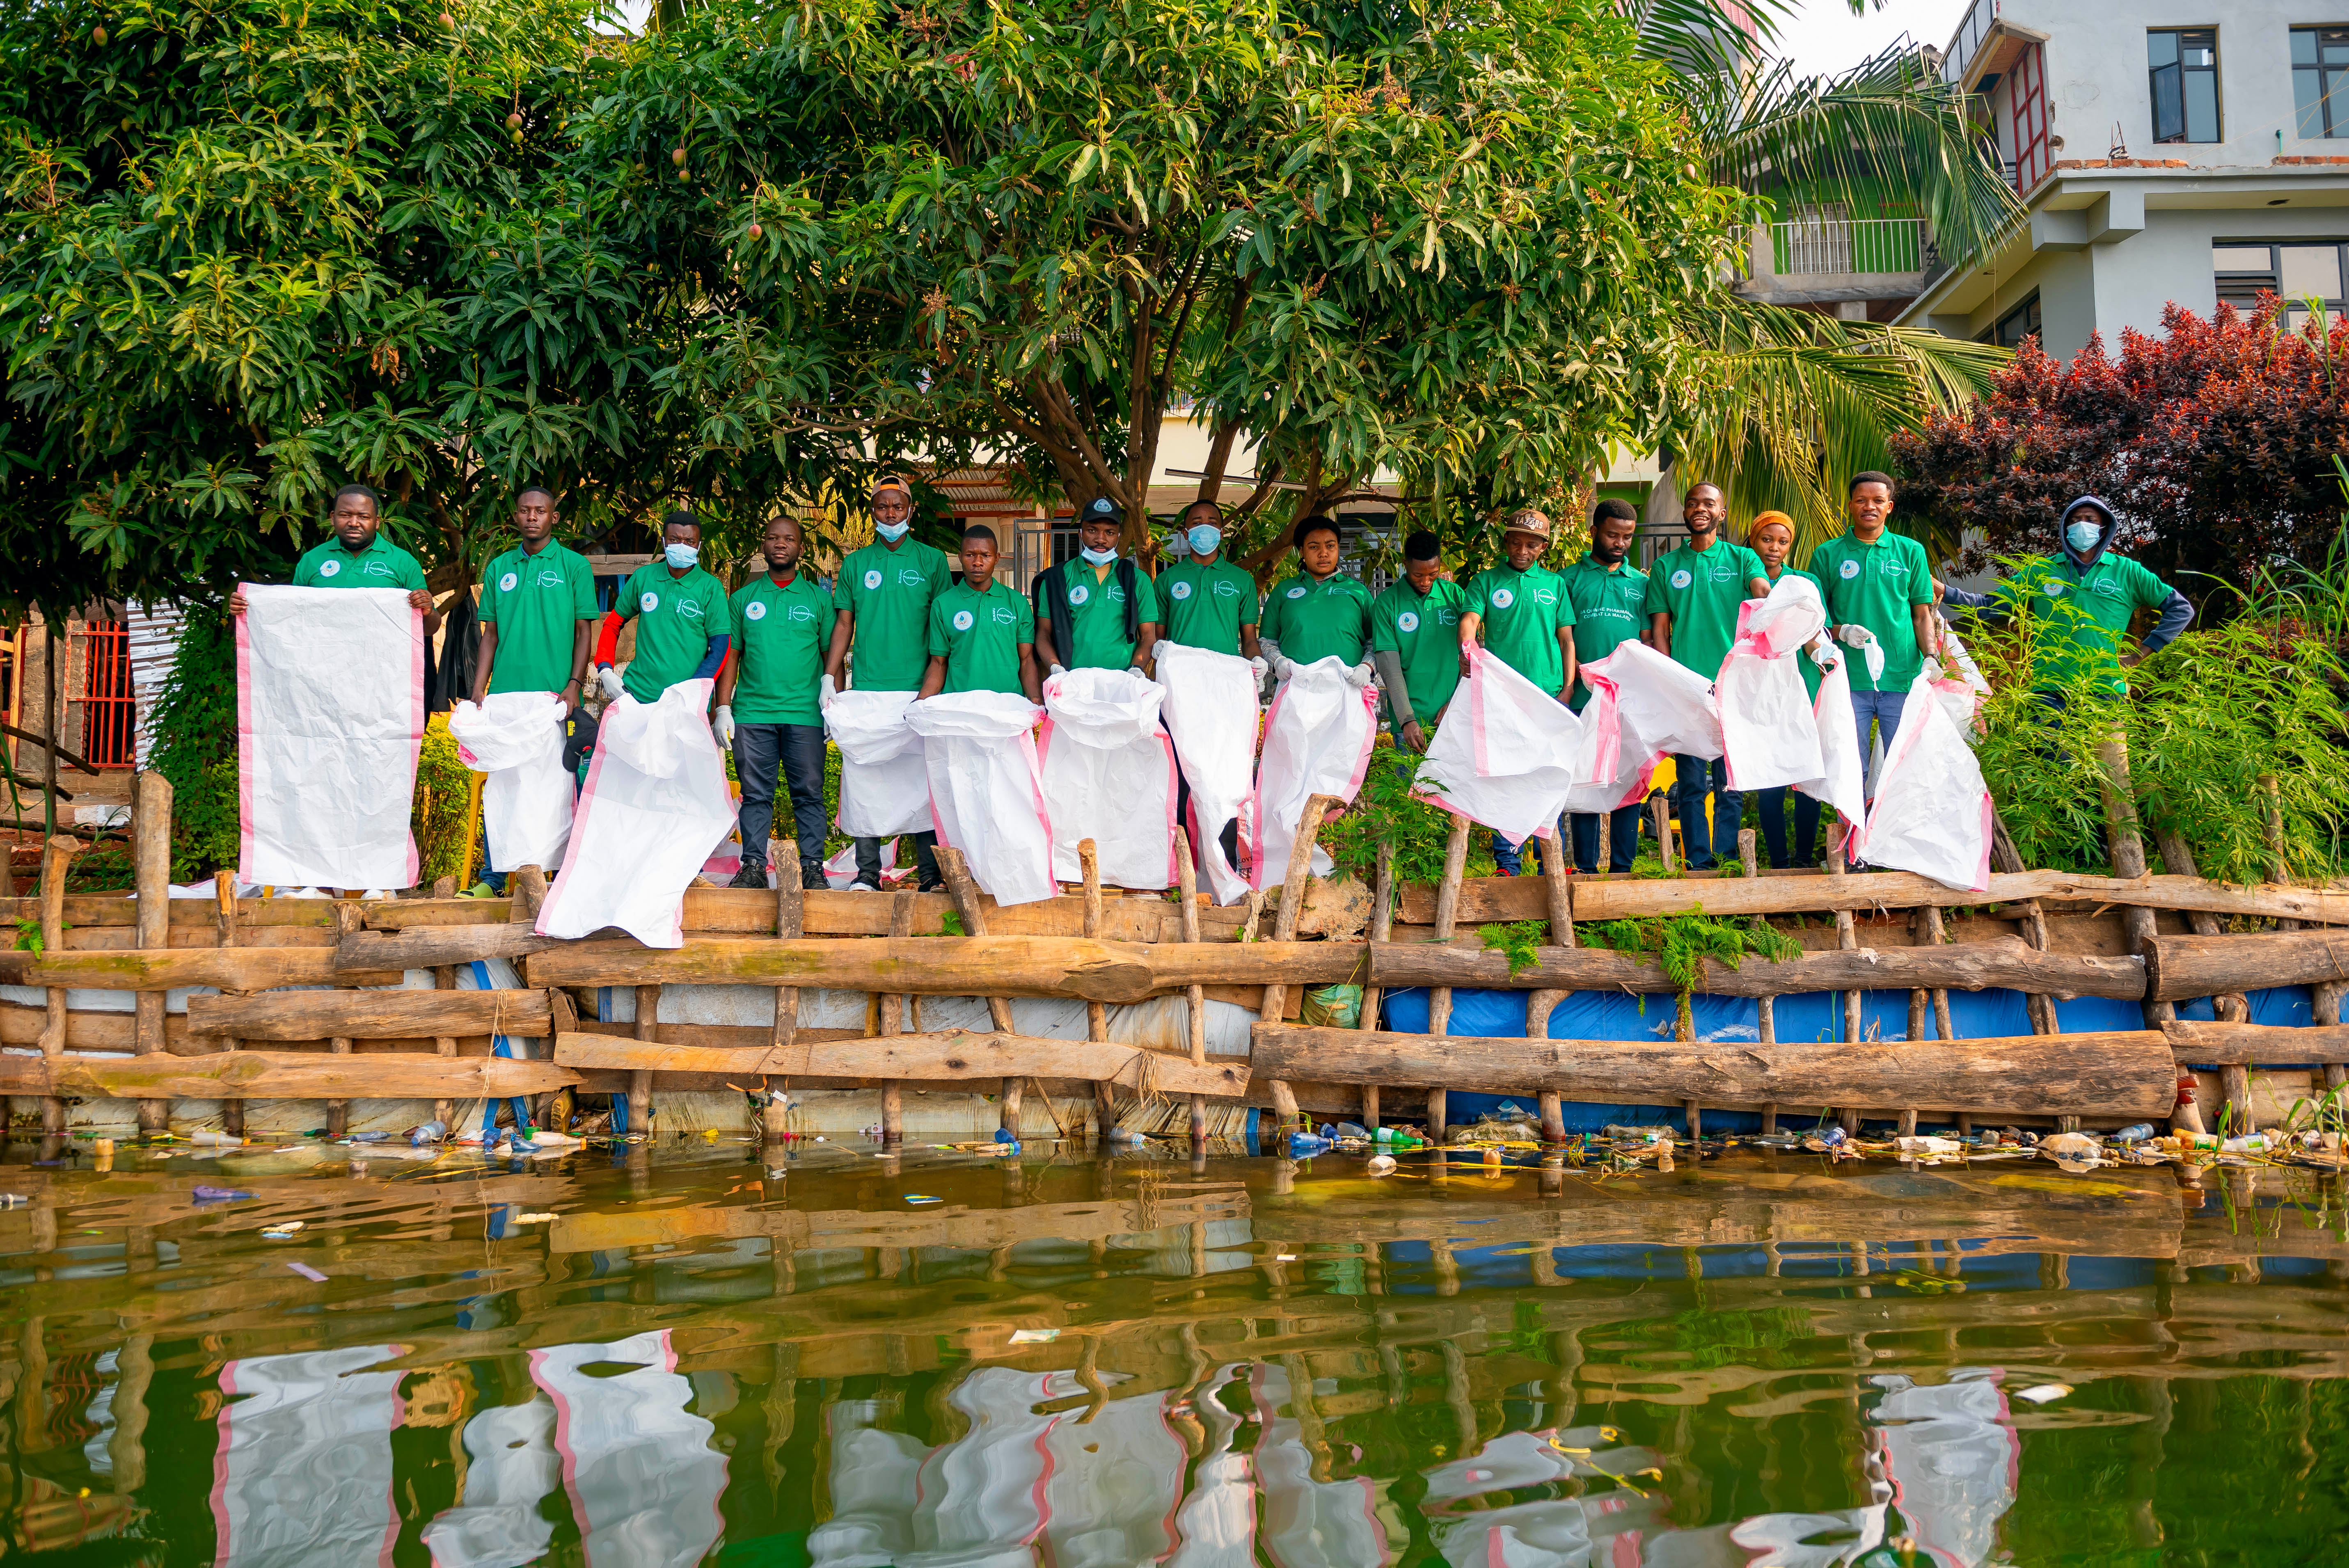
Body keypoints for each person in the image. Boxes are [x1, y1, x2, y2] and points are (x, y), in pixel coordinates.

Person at [825, 476, 952, 893]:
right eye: (882, 507)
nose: (891, 515)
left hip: (920, 692)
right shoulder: (857, 564)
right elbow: (844, 623)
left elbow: (945, 623)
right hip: (868, 691)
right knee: (866, 782)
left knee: (923, 784)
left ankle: (931, 877)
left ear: (910, 511)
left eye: (898, 507)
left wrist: (940, 688)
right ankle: (867, 874)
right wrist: (830, 678)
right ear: (874, 511)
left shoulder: (932, 561)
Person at [1944, 494, 2193, 696]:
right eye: (2074, 520)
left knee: (2106, 759)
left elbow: (2180, 609)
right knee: (2048, 757)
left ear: (2104, 528)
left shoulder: (2128, 571)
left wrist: (2140, 655)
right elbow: (1988, 606)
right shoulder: (2041, 571)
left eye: (2090, 519)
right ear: (2065, 528)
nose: (2081, 525)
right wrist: (1943, 590)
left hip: (2104, 688)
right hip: (2049, 687)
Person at [1643, 481, 1768, 870]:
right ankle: (1699, 860)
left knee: (1730, 783)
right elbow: (1661, 631)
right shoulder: (1666, 566)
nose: (1701, 509)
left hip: (1734, 687)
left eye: (1709, 503)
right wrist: (1673, 681)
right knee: (1693, 783)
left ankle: (1728, 857)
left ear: (1722, 513)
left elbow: (1760, 588)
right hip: (1690, 690)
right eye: (1694, 503)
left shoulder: (1743, 558)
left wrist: (1770, 597)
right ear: (1685, 513)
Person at [1458, 508, 1578, 875]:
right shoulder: (1487, 581)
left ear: (1544, 547)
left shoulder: (1555, 585)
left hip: (1549, 698)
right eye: (1516, 542)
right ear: (1505, 541)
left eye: (1532, 544)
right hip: (1502, 697)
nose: (1523, 550)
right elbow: (1470, 620)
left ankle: (1549, 863)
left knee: (1547, 778)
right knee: (1506, 777)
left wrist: (1569, 689)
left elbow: (1567, 640)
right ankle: (1507, 863)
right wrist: (1467, 646)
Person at [716, 516, 832, 892]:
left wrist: (836, 708)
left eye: (789, 539)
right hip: (753, 714)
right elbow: (731, 656)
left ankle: (813, 867)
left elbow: (831, 655)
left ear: (801, 548)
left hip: (805, 715)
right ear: (763, 546)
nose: (780, 544)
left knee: (809, 794)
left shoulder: (818, 599)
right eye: (773, 538)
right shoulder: (743, 599)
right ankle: (752, 866)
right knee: (756, 795)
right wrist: (724, 708)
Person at [1810, 471, 1939, 793]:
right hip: (1847, 679)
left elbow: (1922, 612)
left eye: (1878, 501)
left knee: (1903, 767)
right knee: (1851, 768)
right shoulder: (1827, 554)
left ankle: (1897, 840)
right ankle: (1856, 838)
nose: (1870, 506)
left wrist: (1932, 657)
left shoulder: (1911, 551)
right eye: (1862, 500)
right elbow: (1813, 620)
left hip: (1901, 676)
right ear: (1850, 505)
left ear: (1890, 506)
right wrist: (1842, 631)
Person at [1559, 499, 1649, 874]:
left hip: (1629, 700)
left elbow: (1648, 641)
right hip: (1583, 699)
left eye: (1627, 536)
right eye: (1613, 534)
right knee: (1586, 781)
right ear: (1594, 531)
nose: (1620, 543)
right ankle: (1584, 866)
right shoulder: (1568, 579)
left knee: (1629, 778)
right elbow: (1561, 637)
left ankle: (1624, 867)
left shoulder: (1642, 584)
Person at [229, 484, 441, 637]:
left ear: (377, 522)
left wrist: (428, 610)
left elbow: (429, 629)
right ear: (332, 518)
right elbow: (291, 617)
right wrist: (248, 607)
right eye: (345, 515)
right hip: (321, 673)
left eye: (364, 517)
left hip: (382, 675)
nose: (354, 523)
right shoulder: (312, 560)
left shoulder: (404, 562)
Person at [1747, 510, 1834, 869]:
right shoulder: (1742, 578)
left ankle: (1803, 859)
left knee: (1805, 774)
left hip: (1802, 688)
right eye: (1767, 540)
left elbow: (1815, 633)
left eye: (1783, 542)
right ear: (1753, 540)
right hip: (1761, 693)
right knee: (1770, 779)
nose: (1774, 548)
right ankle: (1779, 862)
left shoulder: (1804, 582)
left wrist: (1825, 654)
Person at [468, 486, 597, 713]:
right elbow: (490, 634)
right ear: (516, 516)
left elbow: (582, 633)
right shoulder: (498, 568)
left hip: (556, 693)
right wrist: (479, 686)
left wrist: (575, 685)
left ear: (554, 517)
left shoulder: (576, 566)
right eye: (525, 511)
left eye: (540, 511)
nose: (532, 517)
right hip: (504, 691)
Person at [592, 510, 732, 704]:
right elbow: (613, 624)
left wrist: (696, 687)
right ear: (664, 541)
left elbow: (721, 646)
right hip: (637, 695)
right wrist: (606, 669)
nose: (682, 546)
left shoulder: (711, 588)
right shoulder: (644, 578)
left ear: (699, 545)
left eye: (690, 542)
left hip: (687, 701)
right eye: (674, 539)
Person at [1033, 495, 1160, 675]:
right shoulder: (1057, 579)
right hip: (1073, 682)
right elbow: (1044, 634)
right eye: (1092, 530)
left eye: (1110, 532)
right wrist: (1056, 668)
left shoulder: (1137, 580)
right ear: (1080, 533)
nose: (1101, 539)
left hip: (1121, 682)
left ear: (1119, 536)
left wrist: (1136, 669)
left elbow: (1148, 636)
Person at [1369, 530, 1468, 753]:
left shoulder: (1456, 597)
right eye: (1418, 575)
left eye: (1433, 574)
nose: (1425, 582)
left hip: (1454, 716)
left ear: (1440, 564)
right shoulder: (1387, 604)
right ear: (1405, 564)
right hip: (1411, 726)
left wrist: (1457, 703)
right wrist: (1407, 720)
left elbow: (1471, 657)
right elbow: (1389, 667)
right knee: (1411, 788)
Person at [918, 526, 1042, 699]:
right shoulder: (942, 604)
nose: (978, 562)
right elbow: (939, 664)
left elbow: (1027, 660)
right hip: (959, 706)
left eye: (986, 555)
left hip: (1008, 706)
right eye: (970, 555)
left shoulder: (1017, 603)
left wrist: (1036, 701)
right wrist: (920, 701)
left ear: (997, 558)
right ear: (960, 557)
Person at [1257, 515, 1374, 686]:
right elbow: (1267, 641)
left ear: (1338, 548)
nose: (1323, 553)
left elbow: (1376, 641)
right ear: (1302, 551)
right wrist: (1278, 662)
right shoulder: (1283, 591)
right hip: (1295, 688)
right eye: (1314, 547)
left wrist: (1366, 667)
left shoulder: (1358, 591)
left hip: (1349, 687)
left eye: (1330, 546)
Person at [1156, 499, 1264, 667]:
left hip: (1228, 673)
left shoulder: (1243, 580)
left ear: (1221, 534)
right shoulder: (1166, 579)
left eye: (1212, 523)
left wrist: (1257, 661)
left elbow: (1249, 641)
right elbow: (1157, 638)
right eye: (1197, 523)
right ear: (1186, 533)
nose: (1205, 529)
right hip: (1179, 674)